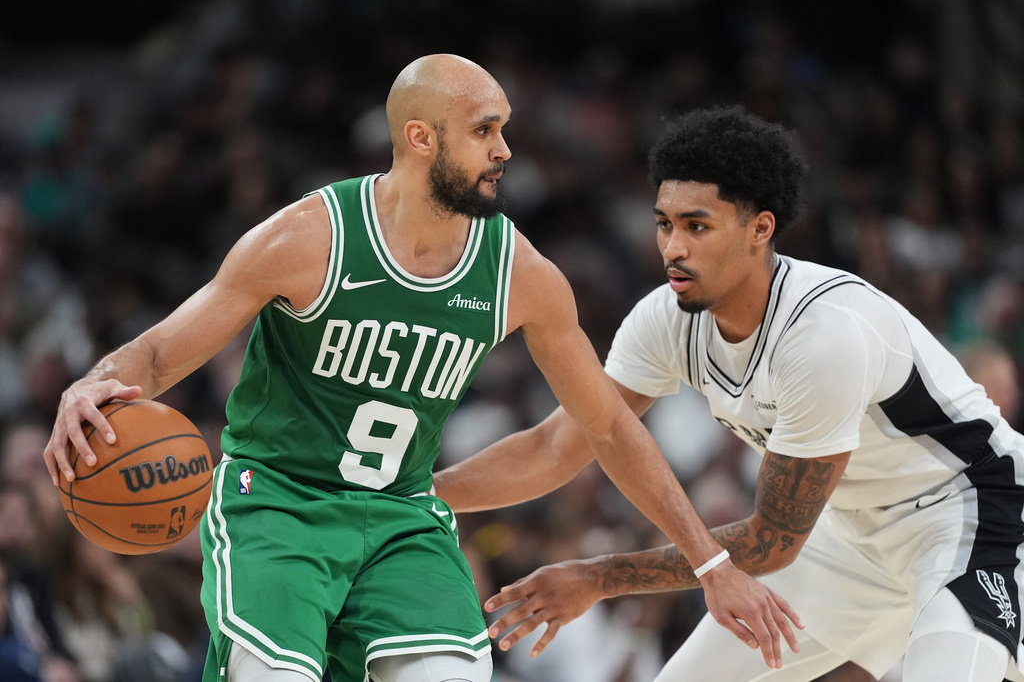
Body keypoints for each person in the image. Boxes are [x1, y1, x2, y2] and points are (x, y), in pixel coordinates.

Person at [42, 57, 798, 682]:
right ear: (420, 138)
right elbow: (158, 354)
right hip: (277, 503)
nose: (505, 149)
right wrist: (91, 383)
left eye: (504, 129)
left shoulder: (520, 274)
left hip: (400, 516)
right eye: (484, 130)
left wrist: (710, 562)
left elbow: (603, 426)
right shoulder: (307, 240)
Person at [433, 105, 1024, 682]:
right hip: (847, 533)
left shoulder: (824, 336)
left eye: (697, 226)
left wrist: (600, 576)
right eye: (664, 224)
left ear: (760, 229)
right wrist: (416, 494)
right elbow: (558, 446)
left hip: (970, 515)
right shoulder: (665, 319)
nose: (673, 248)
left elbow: (772, 541)